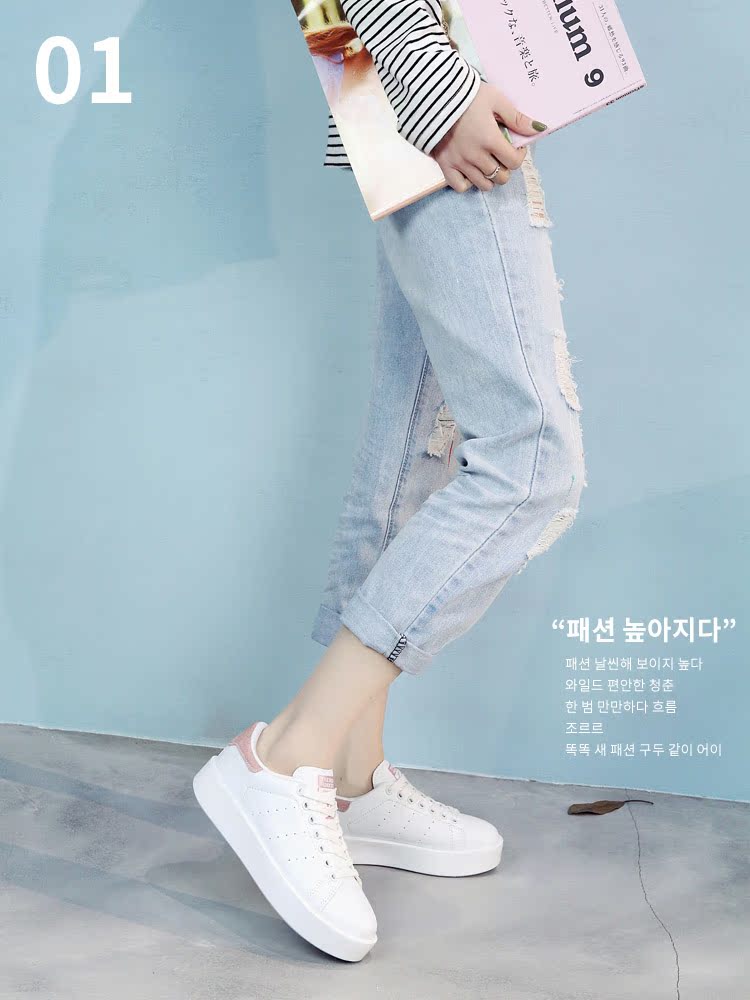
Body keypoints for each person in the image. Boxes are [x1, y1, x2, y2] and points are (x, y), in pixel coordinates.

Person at [193, 0, 586, 962]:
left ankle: (351, 778)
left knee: (414, 445)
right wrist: (439, 93)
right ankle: (288, 753)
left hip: (432, 91)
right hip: (439, 90)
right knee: (531, 461)